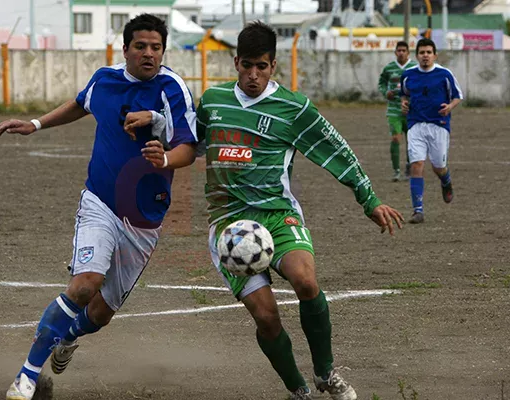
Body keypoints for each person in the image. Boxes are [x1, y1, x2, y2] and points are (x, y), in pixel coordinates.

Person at [0, 14, 198, 400]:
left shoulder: (172, 89)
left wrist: (165, 158)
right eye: (141, 46)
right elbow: (80, 103)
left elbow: (189, 145)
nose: (149, 54)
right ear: (125, 49)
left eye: (156, 47)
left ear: (163, 52)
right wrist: (35, 124)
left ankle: (65, 338)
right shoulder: (104, 79)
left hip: (143, 216)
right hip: (101, 200)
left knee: (101, 314)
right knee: (85, 285)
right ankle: (26, 377)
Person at [196, 21, 404, 400]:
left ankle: (326, 373)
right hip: (229, 225)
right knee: (266, 317)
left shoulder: (294, 108)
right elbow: (188, 142)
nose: (253, 75)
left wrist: (369, 199)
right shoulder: (212, 101)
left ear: (273, 65)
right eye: (246, 66)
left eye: (261, 66)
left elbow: (336, 151)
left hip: (277, 214)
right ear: (235, 63)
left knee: (306, 282)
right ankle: (299, 390)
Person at [400, 38, 463, 224]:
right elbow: (404, 94)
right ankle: (417, 210)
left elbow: (458, 96)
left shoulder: (444, 74)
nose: (425, 56)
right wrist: (404, 104)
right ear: (417, 55)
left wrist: (450, 107)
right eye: (422, 53)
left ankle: (446, 181)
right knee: (416, 165)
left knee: (438, 166)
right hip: (415, 125)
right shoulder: (408, 75)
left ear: (435, 55)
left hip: (439, 125)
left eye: (428, 52)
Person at [378, 41, 417, 181]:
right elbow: (381, 82)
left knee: (411, 140)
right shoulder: (389, 68)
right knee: (395, 138)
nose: (401, 53)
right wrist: (385, 92)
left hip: (411, 110)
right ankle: (396, 171)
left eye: (403, 50)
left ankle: (408, 166)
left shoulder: (414, 67)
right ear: (395, 52)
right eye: (398, 50)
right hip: (394, 110)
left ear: (408, 52)